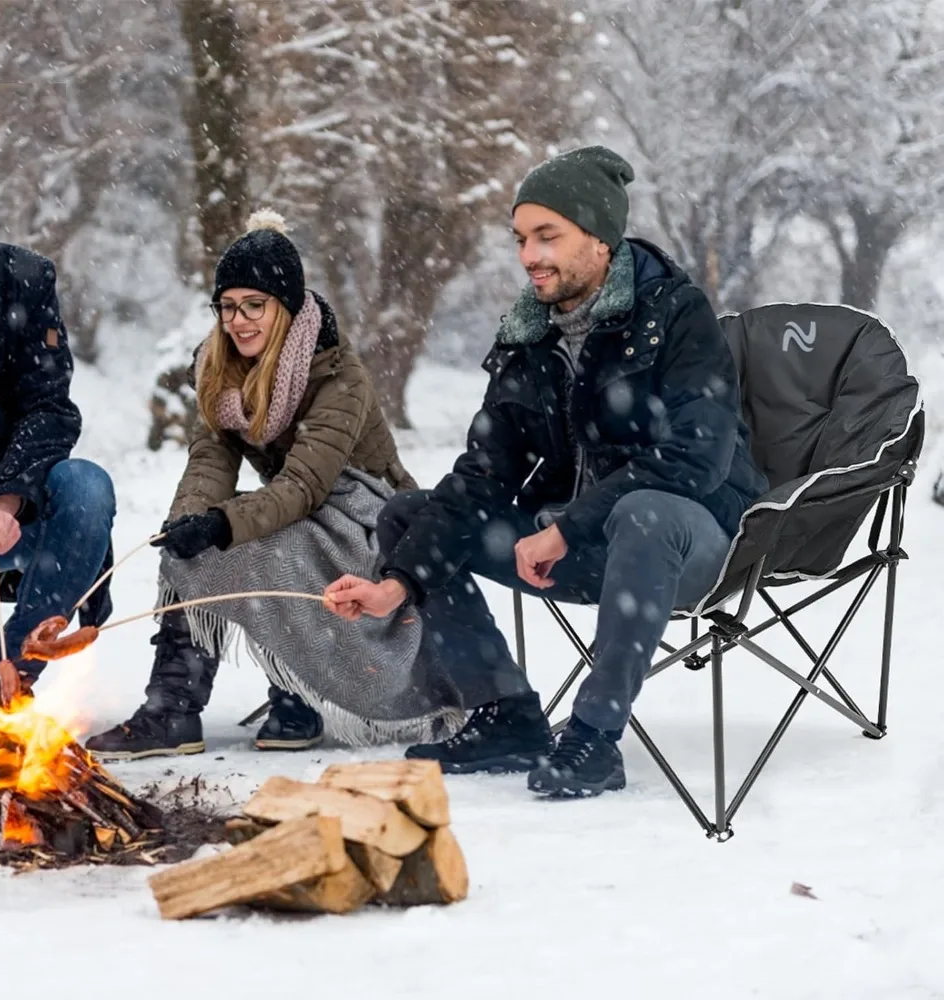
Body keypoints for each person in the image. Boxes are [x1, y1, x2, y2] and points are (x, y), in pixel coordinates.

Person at [325, 145, 769, 798]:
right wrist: (399, 582)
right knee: (409, 516)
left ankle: (594, 736)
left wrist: (568, 527)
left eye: (547, 236)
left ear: (599, 238)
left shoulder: (676, 315)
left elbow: (693, 459)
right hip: (577, 547)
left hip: (689, 541)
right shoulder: (528, 335)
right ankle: (505, 713)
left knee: (643, 512)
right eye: (521, 239)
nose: (530, 255)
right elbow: (481, 474)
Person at [86, 210, 475, 760]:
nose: (239, 320)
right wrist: (190, 519)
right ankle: (173, 707)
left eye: (255, 305)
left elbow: (304, 485)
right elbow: (210, 458)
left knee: (275, 547)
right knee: (192, 555)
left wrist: (225, 523)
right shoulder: (220, 371)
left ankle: (300, 695)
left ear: (285, 308)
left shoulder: (337, 373)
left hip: (369, 512)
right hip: (298, 506)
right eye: (228, 306)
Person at [0, 142, 116, 704]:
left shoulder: (18, 280)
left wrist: (8, 496)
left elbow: (50, 409)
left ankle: (9, 675)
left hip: (6, 527)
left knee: (87, 487)